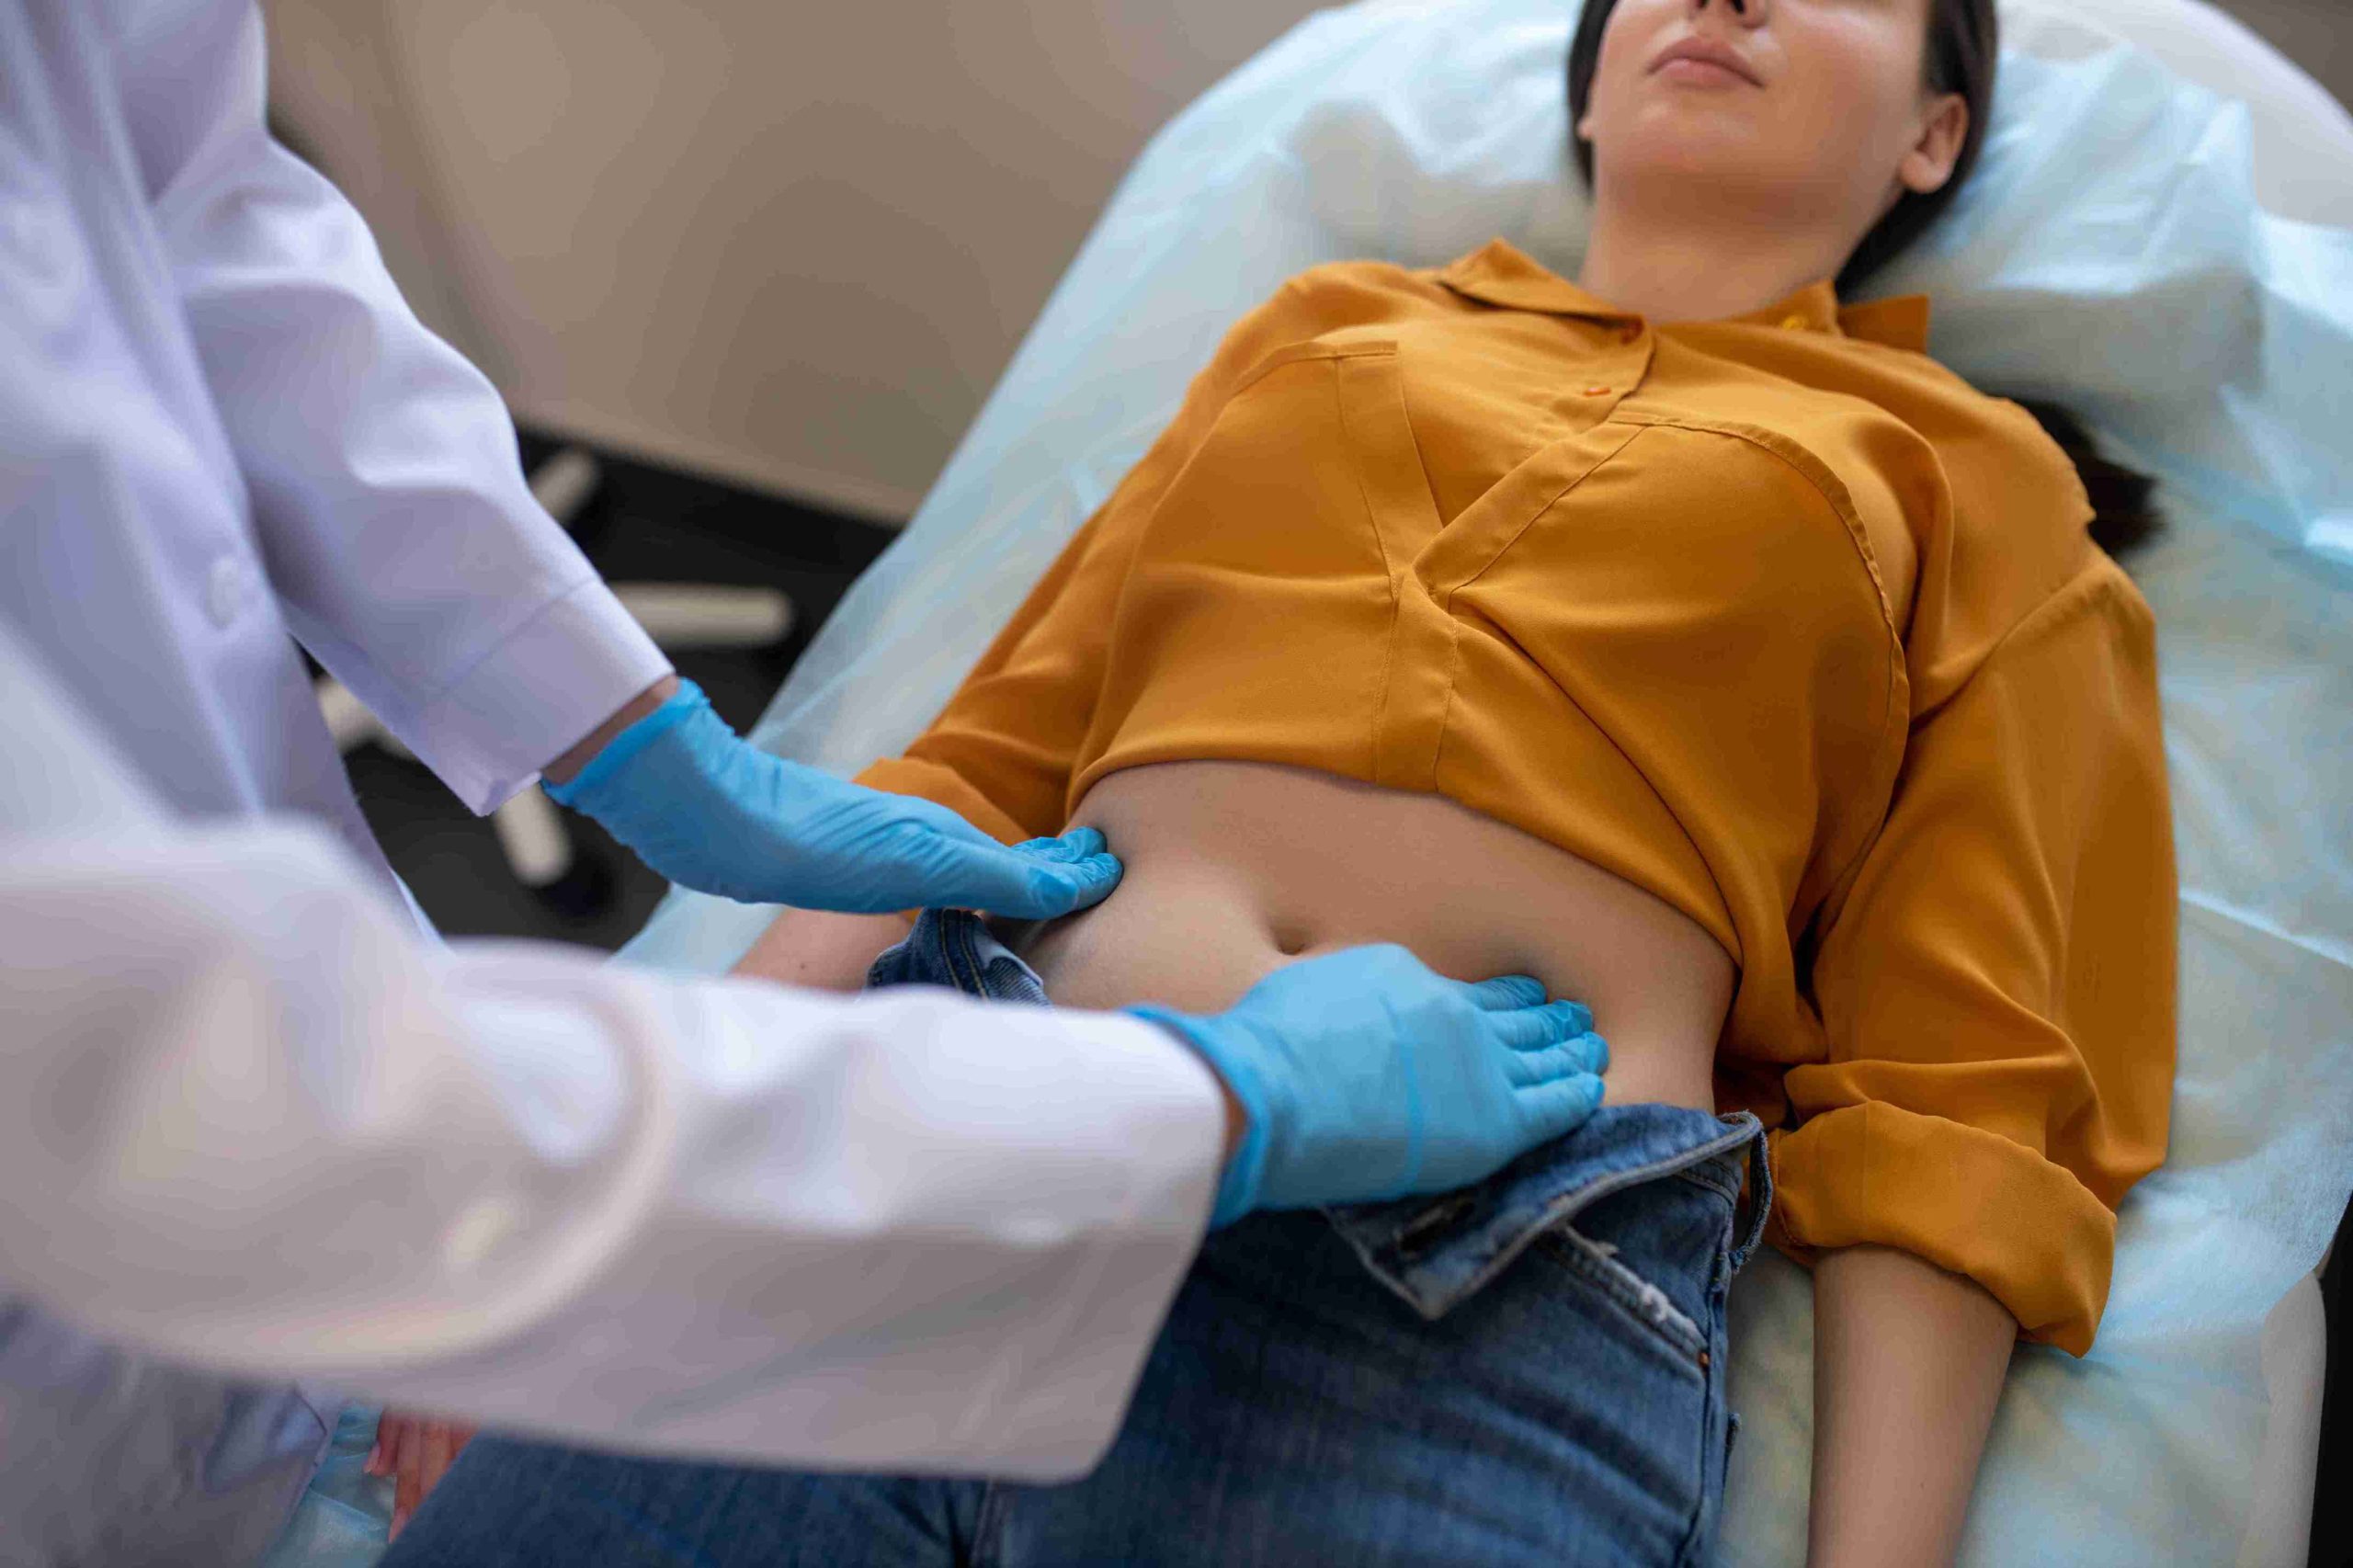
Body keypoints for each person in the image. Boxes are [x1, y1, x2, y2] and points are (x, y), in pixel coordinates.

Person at [383, 0, 2177, 1563]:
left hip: (1464, 1280)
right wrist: (641, 1209)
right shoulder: (1323, 329)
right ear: (1584, 94)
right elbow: (985, 765)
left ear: (1934, 131)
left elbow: (1959, 1088)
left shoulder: (1968, 478)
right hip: (976, 1122)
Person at [0, 2, 1616, 1564]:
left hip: (1440, 1265)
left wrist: (638, 733)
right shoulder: (1328, 329)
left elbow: (186, 219)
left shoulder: (1878, 431)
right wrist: (1210, 1100)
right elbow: (200, 1091)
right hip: (139, 1339)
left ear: (1896, 138)